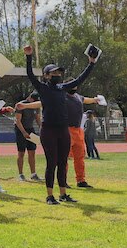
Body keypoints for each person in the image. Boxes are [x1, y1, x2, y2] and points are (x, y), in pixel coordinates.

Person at [23, 47, 98, 205]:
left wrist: (91, 63)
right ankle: (50, 196)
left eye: (59, 73)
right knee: (52, 163)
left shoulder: (62, 88)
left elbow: (79, 80)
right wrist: (28, 57)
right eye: (54, 73)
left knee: (63, 163)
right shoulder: (42, 88)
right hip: (48, 130)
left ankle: (63, 194)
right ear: (46, 75)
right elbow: (30, 75)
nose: (57, 75)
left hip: (63, 130)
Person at [65, 88, 103, 189]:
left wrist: (95, 100)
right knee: (64, 157)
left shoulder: (78, 97)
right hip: (67, 129)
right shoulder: (62, 96)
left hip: (78, 130)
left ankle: (81, 180)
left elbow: (86, 99)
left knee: (80, 156)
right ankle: (62, 180)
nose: (74, 88)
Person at [13, 91, 41, 182]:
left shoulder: (36, 106)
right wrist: (24, 132)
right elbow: (18, 120)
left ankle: (33, 174)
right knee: (21, 153)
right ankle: (21, 174)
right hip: (20, 130)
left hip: (30, 129)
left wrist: (42, 128)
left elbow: (37, 118)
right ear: (30, 98)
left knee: (32, 152)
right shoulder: (21, 105)